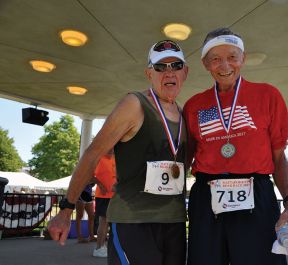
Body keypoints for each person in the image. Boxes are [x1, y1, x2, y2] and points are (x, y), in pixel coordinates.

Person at [47, 39, 189, 265]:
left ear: (185, 73)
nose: (169, 72)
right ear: (148, 73)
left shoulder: (184, 114)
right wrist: (66, 208)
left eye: (176, 66)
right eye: (160, 67)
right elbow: (93, 154)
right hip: (134, 222)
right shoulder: (134, 104)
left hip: (174, 222)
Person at [183, 28, 288, 265]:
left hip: (255, 194)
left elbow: (279, 158)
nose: (224, 65)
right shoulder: (193, 105)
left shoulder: (268, 95)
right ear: (205, 64)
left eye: (232, 57)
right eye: (215, 58)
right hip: (206, 197)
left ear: (243, 59)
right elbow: (185, 159)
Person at [91, 149, 117, 258]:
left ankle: (104, 246)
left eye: (113, 147)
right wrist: (100, 185)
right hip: (103, 195)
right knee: (103, 222)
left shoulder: (116, 158)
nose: (111, 149)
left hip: (115, 196)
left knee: (113, 222)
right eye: (109, 147)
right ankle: (98, 248)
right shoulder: (98, 158)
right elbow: (89, 176)